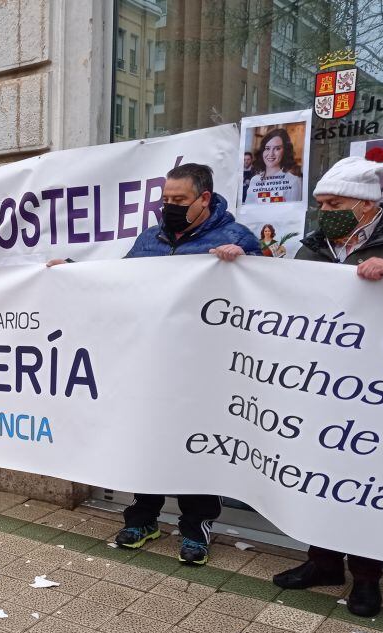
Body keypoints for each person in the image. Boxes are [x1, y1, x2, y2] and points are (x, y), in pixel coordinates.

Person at [274, 156, 383, 617]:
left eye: (334, 204)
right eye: (321, 204)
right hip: (321, 383)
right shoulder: (314, 246)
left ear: (366, 204)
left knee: (367, 477)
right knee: (319, 473)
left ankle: (367, 578)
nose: (324, 212)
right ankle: (323, 562)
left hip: (382, 390)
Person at [115, 163, 261, 566]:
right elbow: (117, 279)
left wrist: (247, 262)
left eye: (179, 199)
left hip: (207, 369)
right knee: (150, 442)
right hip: (154, 362)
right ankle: (143, 519)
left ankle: (196, 527)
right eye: (165, 199)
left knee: (199, 445)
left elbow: (267, 291)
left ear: (204, 199)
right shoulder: (150, 238)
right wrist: (72, 271)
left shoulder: (236, 238)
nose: (170, 207)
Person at [245, 129, 302, 203]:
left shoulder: (293, 181)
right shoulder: (254, 180)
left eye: (277, 148)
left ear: (285, 151)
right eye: (267, 148)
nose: (271, 154)